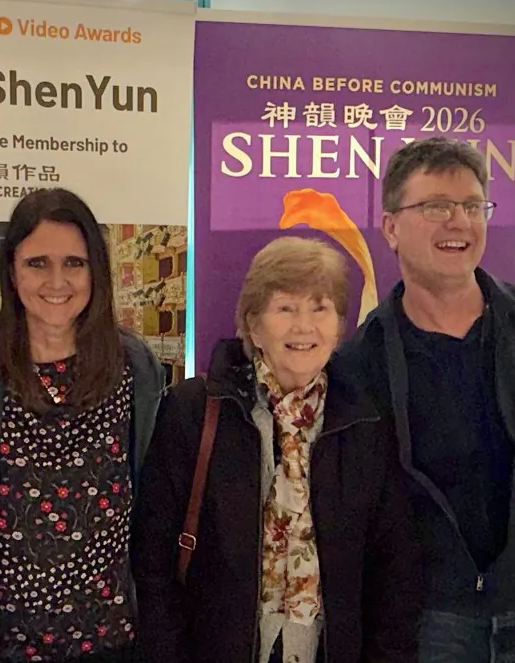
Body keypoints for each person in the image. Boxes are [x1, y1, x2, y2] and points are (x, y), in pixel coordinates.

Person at [332, 136, 515, 662]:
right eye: (436, 206)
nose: (459, 221)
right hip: (431, 622)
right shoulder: (362, 359)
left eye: (473, 205)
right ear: (391, 228)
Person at [132, 236, 424, 663]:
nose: (303, 326)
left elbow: (394, 566)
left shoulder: (364, 420)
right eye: (285, 308)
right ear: (253, 325)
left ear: (340, 324)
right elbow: (153, 557)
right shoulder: (195, 410)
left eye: (320, 308)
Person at [0, 188, 165, 663]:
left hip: (111, 637)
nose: (57, 281)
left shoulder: (134, 367)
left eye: (75, 263)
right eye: (38, 263)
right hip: (4, 642)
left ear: (96, 272)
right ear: (11, 269)